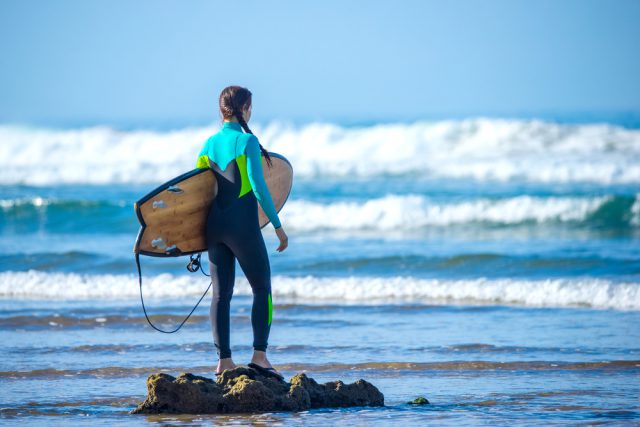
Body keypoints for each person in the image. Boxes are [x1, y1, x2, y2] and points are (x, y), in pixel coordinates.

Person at [196, 85, 288, 380]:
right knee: (262, 289)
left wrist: (191, 236)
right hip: (242, 226)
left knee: (221, 296)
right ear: (245, 109)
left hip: (214, 227)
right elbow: (259, 187)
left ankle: (224, 362)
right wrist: (277, 226)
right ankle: (260, 357)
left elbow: (196, 192)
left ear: (220, 110)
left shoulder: (208, 144)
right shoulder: (248, 141)